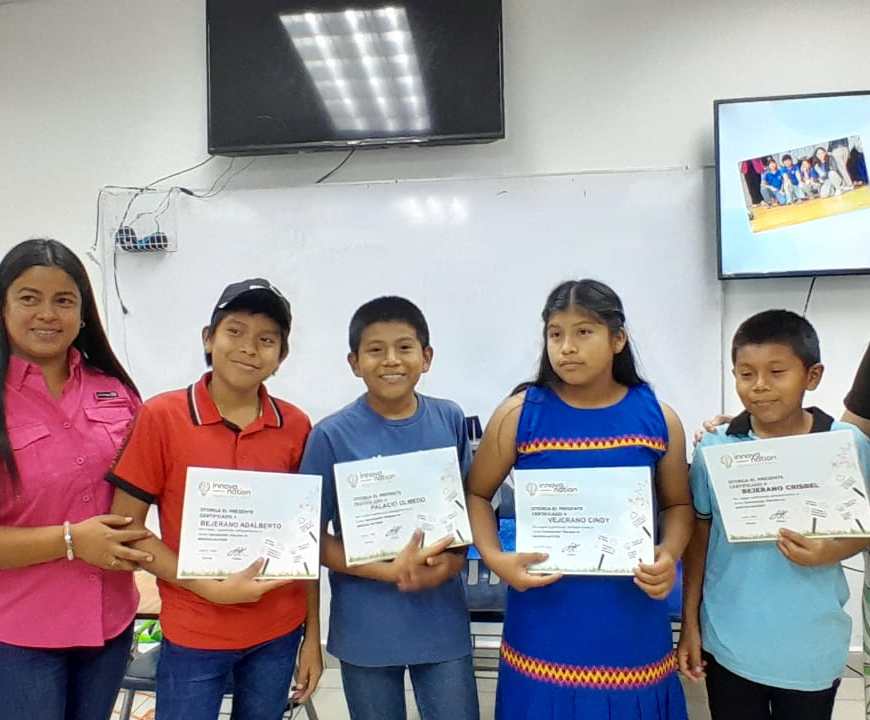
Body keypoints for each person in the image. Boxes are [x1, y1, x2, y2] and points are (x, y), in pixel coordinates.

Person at [467, 279, 693, 719]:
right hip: (544, 615)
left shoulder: (659, 418)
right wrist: (496, 558)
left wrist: (669, 553)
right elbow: (476, 494)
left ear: (618, 339)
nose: (566, 347)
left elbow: (678, 506)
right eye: (555, 334)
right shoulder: (518, 415)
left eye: (583, 332)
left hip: (630, 616)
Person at [108, 278, 321, 720]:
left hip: (278, 630)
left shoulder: (296, 425)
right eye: (235, 331)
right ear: (209, 339)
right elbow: (124, 527)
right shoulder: (162, 416)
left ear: (280, 358)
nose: (249, 348)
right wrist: (206, 588)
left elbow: (307, 541)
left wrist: (312, 635)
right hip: (195, 630)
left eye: (267, 340)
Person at [678, 311, 870, 720]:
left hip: (811, 650)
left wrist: (829, 550)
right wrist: (690, 624)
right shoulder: (715, 449)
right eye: (745, 374)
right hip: (728, 644)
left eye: (777, 371)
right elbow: (699, 534)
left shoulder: (845, 444)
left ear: (812, 375)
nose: (760, 386)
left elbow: (866, 528)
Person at [300, 296, 479, 720]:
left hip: (441, 620)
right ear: (354, 361)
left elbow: (470, 511)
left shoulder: (450, 419)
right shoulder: (329, 436)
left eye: (404, 347)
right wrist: (386, 570)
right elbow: (305, 537)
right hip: (366, 625)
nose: (391, 361)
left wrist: (452, 565)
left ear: (427, 357)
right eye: (375, 350)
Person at [0, 238, 150, 720]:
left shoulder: (117, 392)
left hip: (110, 620)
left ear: (83, 313)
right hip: (21, 633)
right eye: (29, 298)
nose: (47, 313)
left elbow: (150, 483)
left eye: (64, 300)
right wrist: (71, 540)